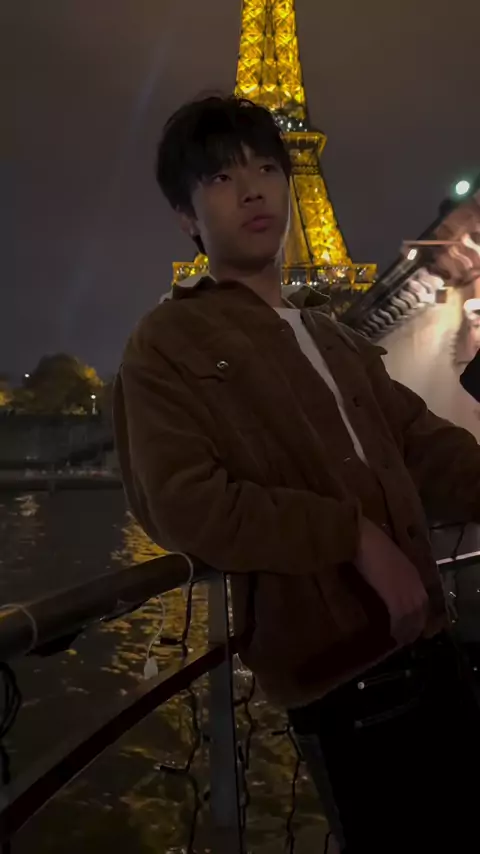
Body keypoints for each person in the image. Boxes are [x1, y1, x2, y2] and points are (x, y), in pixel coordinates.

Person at [113, 95, 480, 852]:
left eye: (267, 169)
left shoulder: (334, 337)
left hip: (434, 648)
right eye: (221, 177)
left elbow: (426, 450)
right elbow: (183, 504)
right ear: (185, 215)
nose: (253, 190)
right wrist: (352, 535)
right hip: (346, 682)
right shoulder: (165, 342)